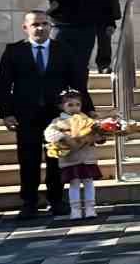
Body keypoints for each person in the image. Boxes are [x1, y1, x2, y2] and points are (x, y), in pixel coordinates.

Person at [0, 10, 89, 219]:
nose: (40, 28)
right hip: (26, 115)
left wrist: (84, 109)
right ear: (26, 28)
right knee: (28, 159)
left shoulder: (63, 49)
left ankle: (56, 200)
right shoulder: (14, 51)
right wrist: (6, 113)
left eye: (45, 24)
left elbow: (76, 81)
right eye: (36, 24)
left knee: (55, 158)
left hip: (56, 115)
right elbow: (4, 85)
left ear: (50, 26)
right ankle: (29, 202)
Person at [44, 89, 105, 219]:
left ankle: (90, 208)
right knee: (74, 182)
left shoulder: (87, 120)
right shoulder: (58, 121)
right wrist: (63, 137)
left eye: (77, 104)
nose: (74, 108)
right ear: (61, 106)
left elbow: (99, 134)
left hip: (87, 157)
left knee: (88, 182)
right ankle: (75, 209)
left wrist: (99, 136)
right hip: (70, 158)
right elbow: (48, 134)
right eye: (70, 105)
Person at [42, 0, 98, 79]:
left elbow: (102, 2)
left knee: (81, 64)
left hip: (86, 29)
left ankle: (79, 94)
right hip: (61, 27)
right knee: (57, 63)